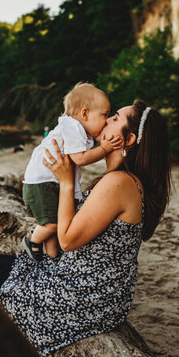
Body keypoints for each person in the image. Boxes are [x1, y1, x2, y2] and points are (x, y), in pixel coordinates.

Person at [0, 100, 171, 356]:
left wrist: (66, 181)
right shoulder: (121, 181)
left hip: (82, 295)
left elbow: (66, 240)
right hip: (76, 279)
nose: (107, 120)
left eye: (115, 119)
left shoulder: (119, 183)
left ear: (128, 139)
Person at [21, 82, 121, 261]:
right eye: (104, 115)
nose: (106, 120)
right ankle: (31, 240)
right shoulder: (72, 127)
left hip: (47, 182)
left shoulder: (80, 130)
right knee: (52, 224)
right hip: (41, 183)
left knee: (53, 226)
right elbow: (80, 159)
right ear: (84, 113)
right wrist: (105, 149)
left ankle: (53, 258)